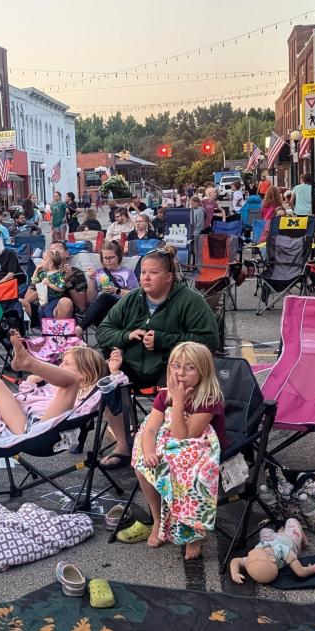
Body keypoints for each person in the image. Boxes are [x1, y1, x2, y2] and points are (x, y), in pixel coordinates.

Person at [130, 341, 226, 559]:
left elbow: (185, 436)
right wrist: (148, 452)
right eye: (175, 366)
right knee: (142, 462)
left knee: (189, 474)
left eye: (190, 368)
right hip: (172, 438)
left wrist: (179, 402)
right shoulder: (165, 394)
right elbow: (152, 428)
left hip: (199, 446)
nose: (181, 373)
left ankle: (193, 533)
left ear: (203, 371)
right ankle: (158, 519)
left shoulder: (209, 399)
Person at [95, 249, 220, 388]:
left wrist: (162, 340)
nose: (146, 278)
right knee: (93, 372)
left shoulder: (190, 301)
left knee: (177, 378)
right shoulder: (132, 298)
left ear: (168, 277)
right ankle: (115, 410)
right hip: (129, 368)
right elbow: (102, 331)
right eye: (143, 272)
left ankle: (168, 409)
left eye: (153, 273)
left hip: (171, 370)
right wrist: (127, 336)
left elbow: (209, 341)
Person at [79, 239, 138, 332]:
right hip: (101, 310)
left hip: (122, 308)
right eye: (105, 258)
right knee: (102, 304)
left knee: (105, 297)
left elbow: (136, 295)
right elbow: (90, 299)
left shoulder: (127, 272)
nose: (108, 261)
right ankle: (106, 343)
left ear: (118, 257)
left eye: (111, 257)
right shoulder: (98, 273)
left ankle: (80, 327)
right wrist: (91, 280)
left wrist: (116, 291)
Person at [24, 248, 73, 321]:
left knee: (48, 311)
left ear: (50, 264)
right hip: (44, 297)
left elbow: (61, 288)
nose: (41, 262)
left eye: (43, 260)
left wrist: (49, 284)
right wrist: (36, 270)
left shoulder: (58, 274)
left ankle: (51, 327)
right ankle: (43, 329)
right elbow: (34, 281)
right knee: (40, 311)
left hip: (55, 298)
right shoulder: (43, 273)